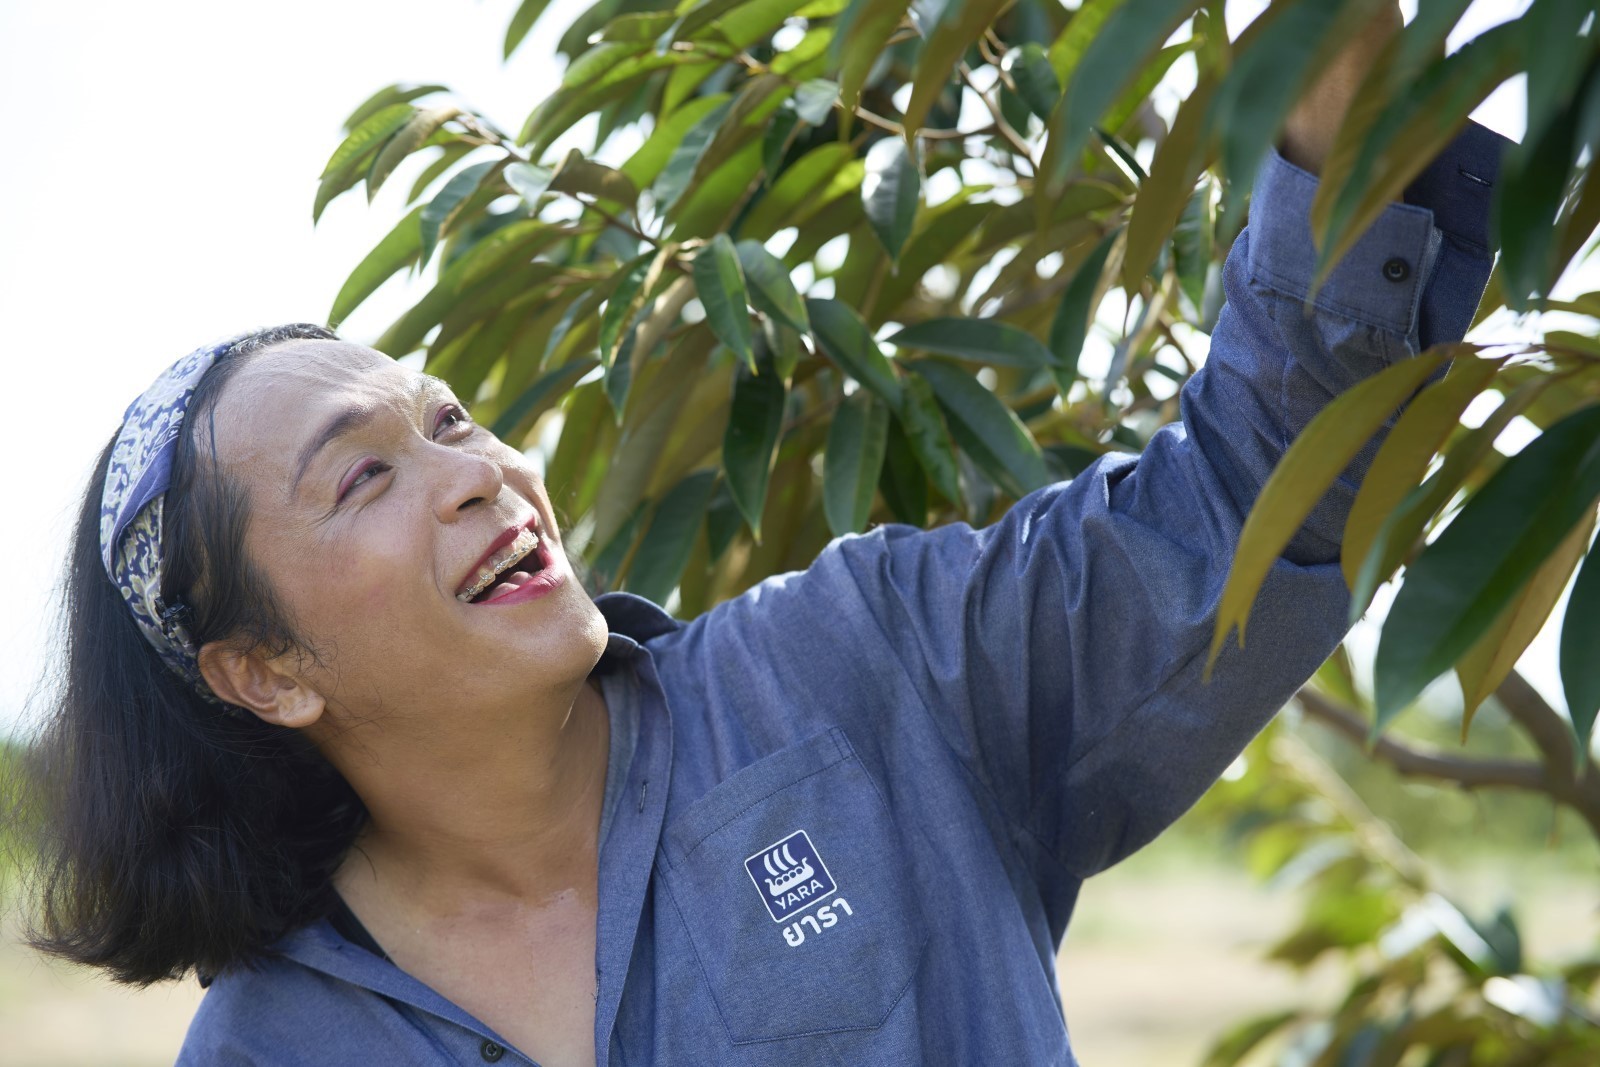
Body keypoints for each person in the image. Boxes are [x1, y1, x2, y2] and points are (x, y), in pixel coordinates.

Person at [21, 8, 1509, 1065]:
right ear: (265, 671)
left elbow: (1251, 499)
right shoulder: (278, 1051)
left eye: (456, 422)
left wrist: (1335, 79)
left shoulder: (865, 677)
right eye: (362, 480)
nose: (477, 476)